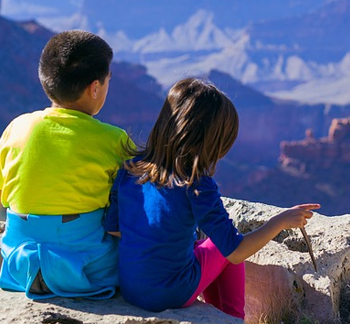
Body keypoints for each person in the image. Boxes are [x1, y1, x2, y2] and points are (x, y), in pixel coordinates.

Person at [104, 78, 320, 319]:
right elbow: (235, 251)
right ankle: (232, 318)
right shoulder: (196, 185)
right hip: (170, 294)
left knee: (202, 245)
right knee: (223, 244)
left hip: (131, 288)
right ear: (211, 140)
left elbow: (115, 229)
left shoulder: (131, 168)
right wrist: (280, 221)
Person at [0, 30, 132, 300]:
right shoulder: (115, 140)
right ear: (95, 87)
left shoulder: (17, 127)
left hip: (21, 266)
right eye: (108, 80)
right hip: (88, 270)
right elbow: (131, 212)